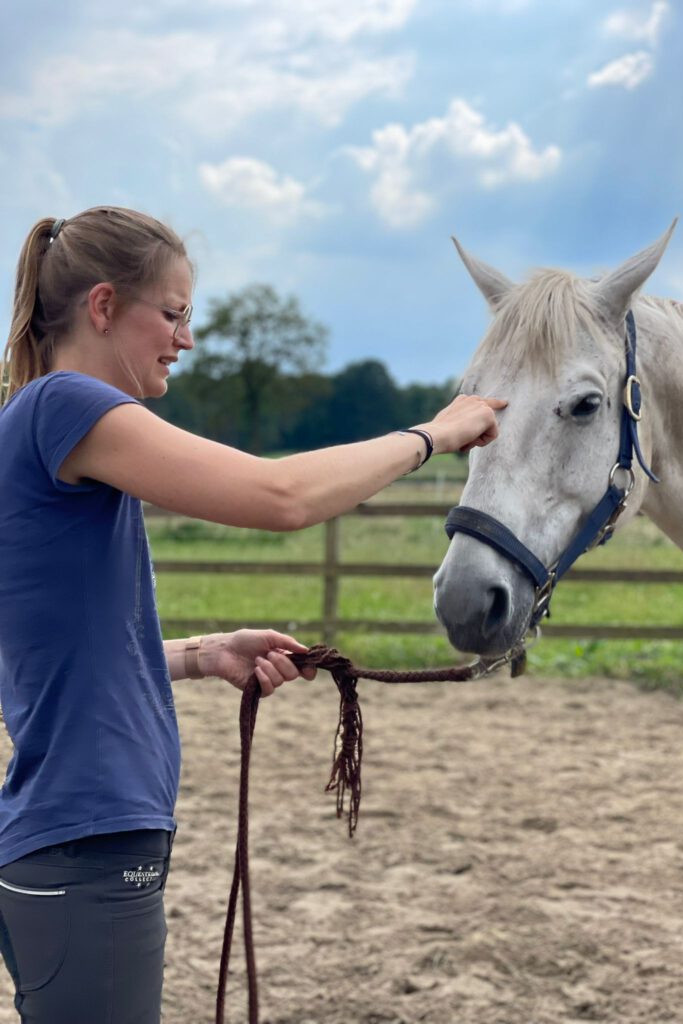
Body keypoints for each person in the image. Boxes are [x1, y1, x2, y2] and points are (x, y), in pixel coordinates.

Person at [0, 206, 505, 1023]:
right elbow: (282, 496)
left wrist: (203, 654)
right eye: (171, 314)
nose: (186, 339)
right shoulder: (64, 406)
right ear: (101, 307)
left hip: (63, 842)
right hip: (88, 846)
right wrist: (435, 435)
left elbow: (53, 651)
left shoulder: (32, 427)